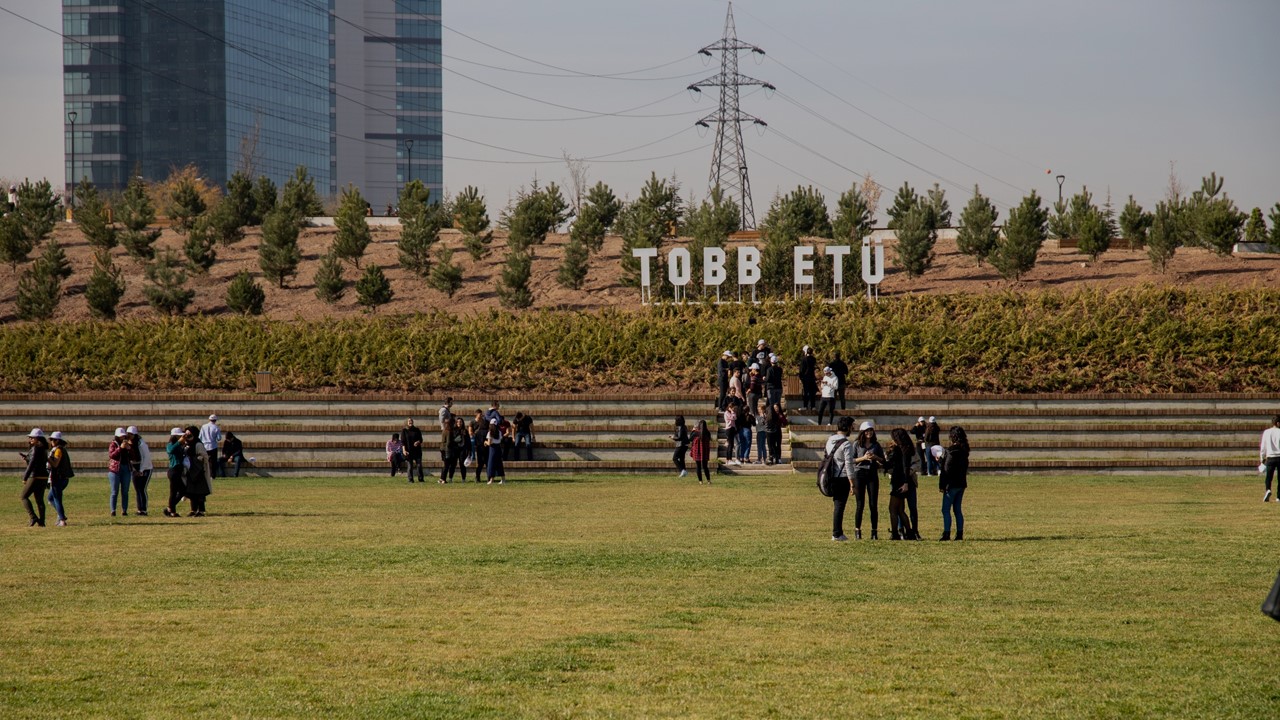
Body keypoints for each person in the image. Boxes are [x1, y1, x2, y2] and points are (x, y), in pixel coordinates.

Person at [851, 420, 886, 539]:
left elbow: (883, 460)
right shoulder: (856, 444)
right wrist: (864, 458)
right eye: (866, 431)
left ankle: (874, 532)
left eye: (870, 430)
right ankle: (857, 531)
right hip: (859, 474)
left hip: (872, 473)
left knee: (873, 504)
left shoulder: (876, 445)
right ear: (862, 432)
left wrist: (875, 457)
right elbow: (852, 460)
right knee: (860, 504)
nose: (869, 433)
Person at [825, 417, 856, 541]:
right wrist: (852, 483)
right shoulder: (846, 443)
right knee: (839, 506)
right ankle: (837, 533)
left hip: (832, 476)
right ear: (847, 427)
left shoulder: (830, 440)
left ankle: (838, 532)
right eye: (852, 426)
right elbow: (848, 464)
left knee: (837, 505)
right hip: (842, 477)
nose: (852, 429)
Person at [885, 428, 918, 540]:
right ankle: (909, 533)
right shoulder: (906, 449)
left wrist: (905, 483)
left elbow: (905, 468)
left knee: (893, 509)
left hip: (899, 481)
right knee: (900, 510)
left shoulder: (901, 450)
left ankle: (895, 534)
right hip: (901, 480)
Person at [939, 427, 970, 541]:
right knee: (957, 509)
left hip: (951, 484)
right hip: (961, 483)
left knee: (945, 509)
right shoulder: (964, 450)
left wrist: (940, 461)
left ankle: (946, 533)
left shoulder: (951, 450)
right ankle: (959, 533)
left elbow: (946, 469)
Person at [20, 428, 49, 527]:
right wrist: (27, 458)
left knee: (23, 496)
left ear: (37, 438)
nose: (30, 439)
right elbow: (36, 461)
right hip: (44, 476)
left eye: (32, 437)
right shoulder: (44, 448)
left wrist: (25, 477)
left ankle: (33, 517)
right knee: (39, 500)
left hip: (34, 476)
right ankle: (42, 521)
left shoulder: (35, 448)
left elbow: (32, 464)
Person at [183, 425, 213, 516]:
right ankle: (193, 510)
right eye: (186, 434)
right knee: (191, 492)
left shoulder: (198, 444)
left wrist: (196, 459)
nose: (188, 436)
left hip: (199, 471)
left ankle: (201, 510)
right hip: (190, 471)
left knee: (200, 492)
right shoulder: (186, 444)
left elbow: (205, 457)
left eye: (190, 434)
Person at [46, 431, 73, 527]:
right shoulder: (58, 449)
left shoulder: (58, 450)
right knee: (50, 498)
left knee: (57, 499)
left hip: (58, 478)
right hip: (62, 478)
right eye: (51, 439)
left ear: (58, 440)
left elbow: (55, 464)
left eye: (53, 439)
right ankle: (61, 515)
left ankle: (62, 520)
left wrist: (46, 458)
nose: (51, 441)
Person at [107, 427, 133, 516]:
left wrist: (130, 448)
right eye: (121, 436)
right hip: (115, 470)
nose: (123, 438)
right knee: (114, 491)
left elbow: (134, 456)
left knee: (125, 491)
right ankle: (113, 510)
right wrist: (120, 448)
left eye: (123, 436)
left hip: (126, 468)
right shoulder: (113, 444)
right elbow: (112, 455)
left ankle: (124, 510)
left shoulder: (126, 443)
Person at [128, 426, 153, 516]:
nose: (129, 436)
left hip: (146, 468)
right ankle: (139, 509)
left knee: (142, 489)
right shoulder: (128, 444)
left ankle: (144, 509)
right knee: (137, 489)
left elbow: (146, 458)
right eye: (128, 434)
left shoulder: (141, 444)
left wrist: (141, 470)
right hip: (135, 468)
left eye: (131, 434)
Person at [163, 428, 187, 517]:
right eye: (179, 435)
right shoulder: (170, 445)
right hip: (173, 470)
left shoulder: (179, 445)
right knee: (173, 492)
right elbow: (171, 450)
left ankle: (170, 508)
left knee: (182, 490)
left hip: (178, 470)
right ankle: (171, 510)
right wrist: (179, 442)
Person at [1261, 415, 1280, 502]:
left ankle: (1268, 489)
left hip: (1270, 457)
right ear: (1278, 423)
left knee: (1269, 477)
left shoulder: (1266, 432)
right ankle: (1279, 497)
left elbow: (1263, 447)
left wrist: (1262, 458)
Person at [402, 418, 425, 483]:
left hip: (417, 451)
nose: (410, 422)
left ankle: (421, 479)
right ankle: (410, 479)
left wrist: (417, 442)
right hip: (409, 451)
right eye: (409, 421)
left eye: (411, 421)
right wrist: (404, 450)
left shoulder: (417, 430)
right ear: (406, 422)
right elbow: (403, 442)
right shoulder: (404, 431)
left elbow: (421, 439)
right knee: (410, 466)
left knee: (419, 465)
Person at [200, 414, 223, 478]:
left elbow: (200, 437)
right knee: (213, 462)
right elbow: (219, 438)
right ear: (215, 420)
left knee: (204, 461)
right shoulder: (216, 427)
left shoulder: (203, 426)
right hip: (213, 446)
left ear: (209, 419)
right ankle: (212, 475)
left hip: (204, 445)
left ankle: (203, 474)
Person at [690, 420, 712, 484]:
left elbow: (690, 439)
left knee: (698, 466)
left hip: (697, 451)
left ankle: (700, 481)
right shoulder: (708, 432)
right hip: (705, 451)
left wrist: (693, 430)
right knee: (705, 466)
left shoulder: (695, 433)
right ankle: (708, 480)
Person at [766, 401, 788, 465]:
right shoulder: (771, 414)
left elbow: (785, 423)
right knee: (772, 445)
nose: (776, 408)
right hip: (771, 431)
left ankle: (778, 458)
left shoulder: (780, 414)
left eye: (777, 407)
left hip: (778, 430)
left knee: (778, 445)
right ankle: (772, 457)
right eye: (774, 407)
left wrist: (781, 418)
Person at [485, 420, 506, 484]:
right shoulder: (499, 432)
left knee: (491, 464)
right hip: (498, 448)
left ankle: (491, 480)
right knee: (499, 464)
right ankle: (503, 479)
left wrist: (485, 442)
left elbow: (489, 443)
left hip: (492, 449)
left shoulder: (490, 432)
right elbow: (500, 440)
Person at [470, 410, 488, 481]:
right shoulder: (473, 422)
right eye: (480, 414)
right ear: (476, 414)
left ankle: (489, 477)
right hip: (478, 444)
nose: (481, 415)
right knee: (480, 462)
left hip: (485, 444)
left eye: (482, 414)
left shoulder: (485, 422)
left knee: (487, 461)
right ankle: (477, 477)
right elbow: (470, 432)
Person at [799, 345, 818, 411]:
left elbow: (801, 369)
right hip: (812, 377)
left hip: (805, 378)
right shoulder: (813, 359)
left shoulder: (804, 359)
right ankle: (813, 406)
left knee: (806, 392)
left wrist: (801, 377)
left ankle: (805, 406)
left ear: (806, 352)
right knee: (812, 392)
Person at [454, 417, 471, 482]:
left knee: (462, 465)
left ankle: (463, 479)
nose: (459, 423)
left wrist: (469, 450)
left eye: (460, 422)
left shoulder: (465, 431)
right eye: (458, 422)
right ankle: (450, 478)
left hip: (463, 450)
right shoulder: (454, 430)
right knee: (453, 464)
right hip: (455, 449)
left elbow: (468, 441)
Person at [754, 400, 768, 464]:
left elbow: (763, 423)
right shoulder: (757, 416)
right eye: (759, 409)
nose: (759, 410)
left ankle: (762, 458)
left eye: (761, 409)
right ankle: (761, 458)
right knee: (760, 445)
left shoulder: (764, 416)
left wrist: (763, 416)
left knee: (761, 446)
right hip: (759, 431)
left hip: (762, 431)